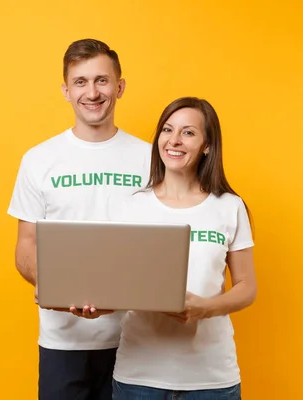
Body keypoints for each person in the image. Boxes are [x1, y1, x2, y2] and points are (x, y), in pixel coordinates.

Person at [72, 96, 257, 399]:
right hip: (139, 379)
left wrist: (206, 308)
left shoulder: (229, 206)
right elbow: (116, 285)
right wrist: (94, 306)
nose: (174, 140)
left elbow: (247, 286)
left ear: (207, 145)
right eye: (167, 130)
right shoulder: (130, 206)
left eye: (188, 132)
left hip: (211, 381)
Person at [7, 38, 152, 400]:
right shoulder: (39, 160)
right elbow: (26, 246)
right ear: (66, 91)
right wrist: (59, 285)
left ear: (119, 87)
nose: (92, 92)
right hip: (62, 342)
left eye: (102, 80)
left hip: (138, 340)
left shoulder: (152, 159)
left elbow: (162, 243)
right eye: (81, 82)